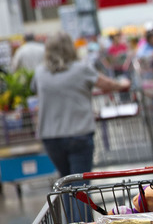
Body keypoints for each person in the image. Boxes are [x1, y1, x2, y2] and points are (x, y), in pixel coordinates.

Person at [33, 31, 130, 178]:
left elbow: (35, 91)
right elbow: (107, 84)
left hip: (50, 136)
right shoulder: (81, 69)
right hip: (78, 134)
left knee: (65, 182)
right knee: (79, 187)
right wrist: (123, 84)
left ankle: (69, 201)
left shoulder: (40, 72)